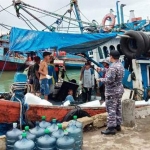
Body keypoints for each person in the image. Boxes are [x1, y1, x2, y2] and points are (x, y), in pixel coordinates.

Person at [97, 50, 124, 135]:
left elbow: (109, 80)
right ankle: (117, 125)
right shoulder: (120, 65)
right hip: (119, 90)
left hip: (112, 92)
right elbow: (111, 71)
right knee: (118, 108)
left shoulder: (113, 67)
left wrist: (100, 79)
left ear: (111, 56)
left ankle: (111, 128)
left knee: (111, 109)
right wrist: (101, 69)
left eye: (109, 56)